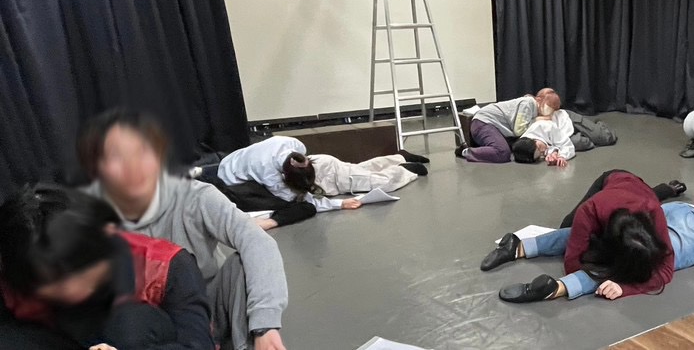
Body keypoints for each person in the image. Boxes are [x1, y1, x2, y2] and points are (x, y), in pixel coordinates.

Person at [79, 109, 290, 350]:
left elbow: (257, 242)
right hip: (153, 320)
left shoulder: (197, 196)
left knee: (242, 265)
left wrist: (265, 325)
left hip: (209, 306)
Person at [0, 184, 213, 350]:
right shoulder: (15, 274)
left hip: (134, 340)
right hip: (55, 336)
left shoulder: (166, 266)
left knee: (128, 327)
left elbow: (198, 345)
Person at [480, 170, 686, 303]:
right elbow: (572, 264)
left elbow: (666, 271)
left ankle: (667, 189)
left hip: (640, 190)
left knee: (648, 193)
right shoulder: (590, 211)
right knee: (567, 228)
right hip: (613, 179)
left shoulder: (653, 212)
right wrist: (603, 274)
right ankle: (516, 246)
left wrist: (624, 288)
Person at [204, 136, 427, 226]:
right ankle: (400, 158)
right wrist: (340, 203)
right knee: (356, 171)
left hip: (324, 169)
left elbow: (307, 201)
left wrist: (338, 203)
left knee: (373, 181)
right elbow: (305, 200)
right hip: (237, 174)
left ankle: (404, 169)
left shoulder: (292, 159)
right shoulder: (273, 170)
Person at [456, 93, 548, 163]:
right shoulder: (528, 103)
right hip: (484, 123)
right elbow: (519, 130)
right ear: (539, 99)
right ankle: (465, 152)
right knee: (502, 152)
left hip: (495, 127)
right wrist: (536, 120)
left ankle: (485, 148)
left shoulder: (533, 109)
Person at [535, 88, 617, 151]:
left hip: (566, 117)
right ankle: (587, 134)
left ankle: (598, 124)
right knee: (581, 142)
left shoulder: (558, 113)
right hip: (559, 135)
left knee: (606, 137)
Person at [511, 96, 575, 166]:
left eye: (539, 147)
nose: (543, 151)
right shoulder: (528, 148)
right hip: (559, 134)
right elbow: (549, 147)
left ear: (534, 139)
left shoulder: (545, 127)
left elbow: (567, 145)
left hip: (564, 118)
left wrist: (562, 156)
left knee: (579, 142)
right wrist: (553, 153)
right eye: (540, 154)